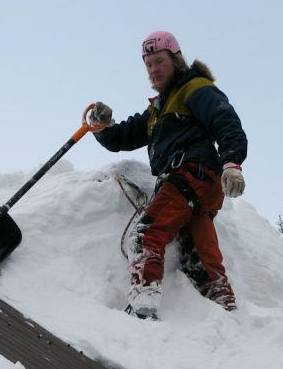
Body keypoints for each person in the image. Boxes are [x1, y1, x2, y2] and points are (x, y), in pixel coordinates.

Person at [89, 30, 248, 320]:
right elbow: (121, 137)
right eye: (148, 65)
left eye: (159, 62)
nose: (153, 70)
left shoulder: (194, 88)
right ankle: (226, 311)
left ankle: (143, 305)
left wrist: (233, 163)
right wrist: (102, 126)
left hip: (191, 173)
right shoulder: (157, 111)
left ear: (176, 60)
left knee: (146, 233)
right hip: (201, 187)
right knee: (198, 256)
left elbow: (224, 119)